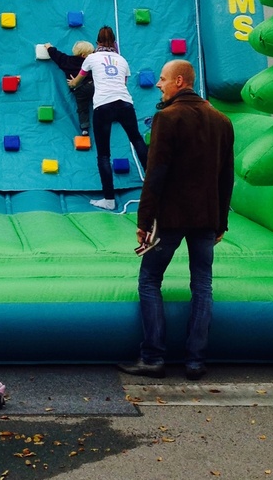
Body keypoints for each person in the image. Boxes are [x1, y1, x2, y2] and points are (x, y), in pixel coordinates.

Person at [118, 60, 234, 381]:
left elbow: (155, 175)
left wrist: (143, 221)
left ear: (179, 81)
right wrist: (220, 222)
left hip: (170, 217)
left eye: (163, 79)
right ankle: (195, 361)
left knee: (149, 280)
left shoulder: (166, 118)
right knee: (202, 286)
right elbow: (227, 178)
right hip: (206, 218)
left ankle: (153, 356)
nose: (159, 84)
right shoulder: (222, 121)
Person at [67, 26, 149, 210]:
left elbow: (79, 79)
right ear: (114, 43)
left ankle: (109, 199)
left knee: (104, 154)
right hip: (125, 104)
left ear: (97, 43)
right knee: (137, 140)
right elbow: (123, 83)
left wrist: (71, 83)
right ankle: (155, 190)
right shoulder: (122, 59)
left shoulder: (91, 58)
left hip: (103, 105)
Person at [44, 39, 95, 135]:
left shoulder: (67, 61)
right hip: (92, 85)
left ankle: (84, 129)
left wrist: (49, 47)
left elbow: (57, 56)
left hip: (79, 90)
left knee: (82, 109)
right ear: (84, 55)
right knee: (102, 102)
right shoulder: (90, 62)